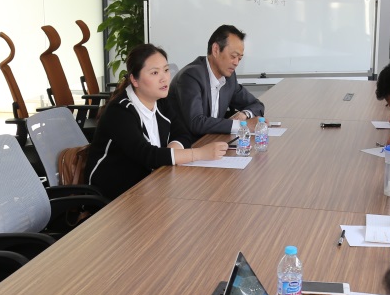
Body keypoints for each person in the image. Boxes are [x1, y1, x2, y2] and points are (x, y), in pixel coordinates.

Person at [87, 44, 228, 199]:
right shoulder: (120, 111)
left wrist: (172, 153)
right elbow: (146, 155)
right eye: (155, 73)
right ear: (134, 80)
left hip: (150, 186)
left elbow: (182, 133)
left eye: (166, 70)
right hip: (114, 197)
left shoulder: (161, 101)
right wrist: (199, 154)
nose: (164, 78)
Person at [166, 24, 264, 137]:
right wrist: (242, 125)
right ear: (216, 50)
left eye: (240, 58)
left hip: (212, 140)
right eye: (233, 56)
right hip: (189, 144)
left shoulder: (229, 78)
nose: (236, 63)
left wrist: (244, 114)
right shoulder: (191, 76)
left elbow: (256, 104)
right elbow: (196, 122)